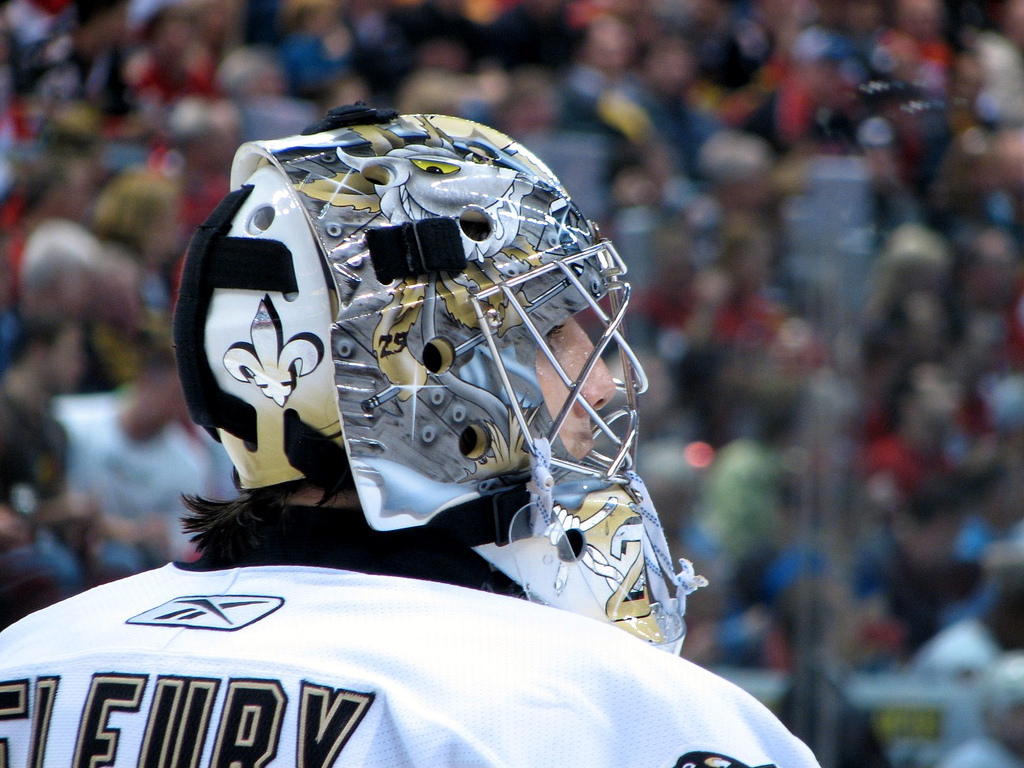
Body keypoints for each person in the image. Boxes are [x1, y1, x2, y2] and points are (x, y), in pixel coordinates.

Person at [0, 106, 820, 767]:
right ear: (415, 368)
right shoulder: (594, 711)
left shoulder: (31, 656)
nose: (602, 384)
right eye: (555, 334)